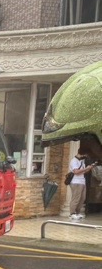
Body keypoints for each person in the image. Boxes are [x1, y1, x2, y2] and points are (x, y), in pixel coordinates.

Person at [42, 61, 102, 217]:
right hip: (77, 182)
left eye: (90, 141)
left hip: (80, 181)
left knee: (79, 198)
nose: (93, 154)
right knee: (77, 199)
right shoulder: (76, 161)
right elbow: (76, 171)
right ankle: (73, 214)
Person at [67, 149, 97, 219]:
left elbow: (83, 172)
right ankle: (72, 213)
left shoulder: (81, 161)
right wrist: (86, 168)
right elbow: (76, 172)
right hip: (76, 182)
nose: (86, 156)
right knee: (76, 198)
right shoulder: (74, 161)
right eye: (85, 155)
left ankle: (77, 213)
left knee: (82, 198)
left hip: (82, 181)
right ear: (81, 153)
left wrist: (89, 168)